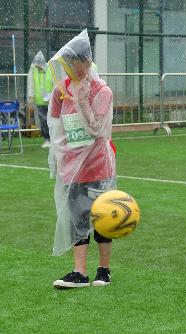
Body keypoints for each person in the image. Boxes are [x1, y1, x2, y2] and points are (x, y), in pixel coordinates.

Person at [47, 29, 116, 289]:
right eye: (68, 64)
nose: (73, 69)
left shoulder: (102, 91)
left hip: (98, 165)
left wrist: (84, 101)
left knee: (103, 218)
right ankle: (79, 272)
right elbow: (55, 125)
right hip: (73, 168)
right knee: (77, 219)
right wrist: (59, 158)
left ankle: (104, 270)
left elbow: (98, 129)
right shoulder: (60, 91)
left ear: (87, 62)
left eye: (77, 63)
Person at [27, 50, 54, 148]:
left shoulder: (50, 69)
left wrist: (52, 95)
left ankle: (53, 139)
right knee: (43, 121)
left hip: (51, 101)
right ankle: (47, 139)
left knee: (51, 121)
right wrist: (31, 97)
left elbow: (54, 83)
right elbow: (31, 84)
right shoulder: (33, 70)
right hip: (39, 101)